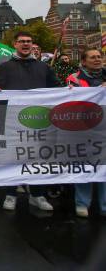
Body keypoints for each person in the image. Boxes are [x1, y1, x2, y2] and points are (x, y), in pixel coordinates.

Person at [0, 31, 59, 212]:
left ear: (32, 44)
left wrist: (69, 90)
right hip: (14, 121)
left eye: (29, 41)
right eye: (22, 41)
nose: (26, 44)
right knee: (13, 157)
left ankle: (37, 194)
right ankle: (11, 193)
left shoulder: (43, 67)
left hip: (39, 120)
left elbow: (56, 89)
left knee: (38, 158)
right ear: (15, 44)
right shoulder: (5, 67)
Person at [66, 48, 106, 217]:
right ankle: (82, 203)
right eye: (93, 57)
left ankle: (104, 205)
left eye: (99, 56)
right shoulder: (74, 79)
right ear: (83, 62)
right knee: (83, 165)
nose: (97, 59)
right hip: (84, 129)